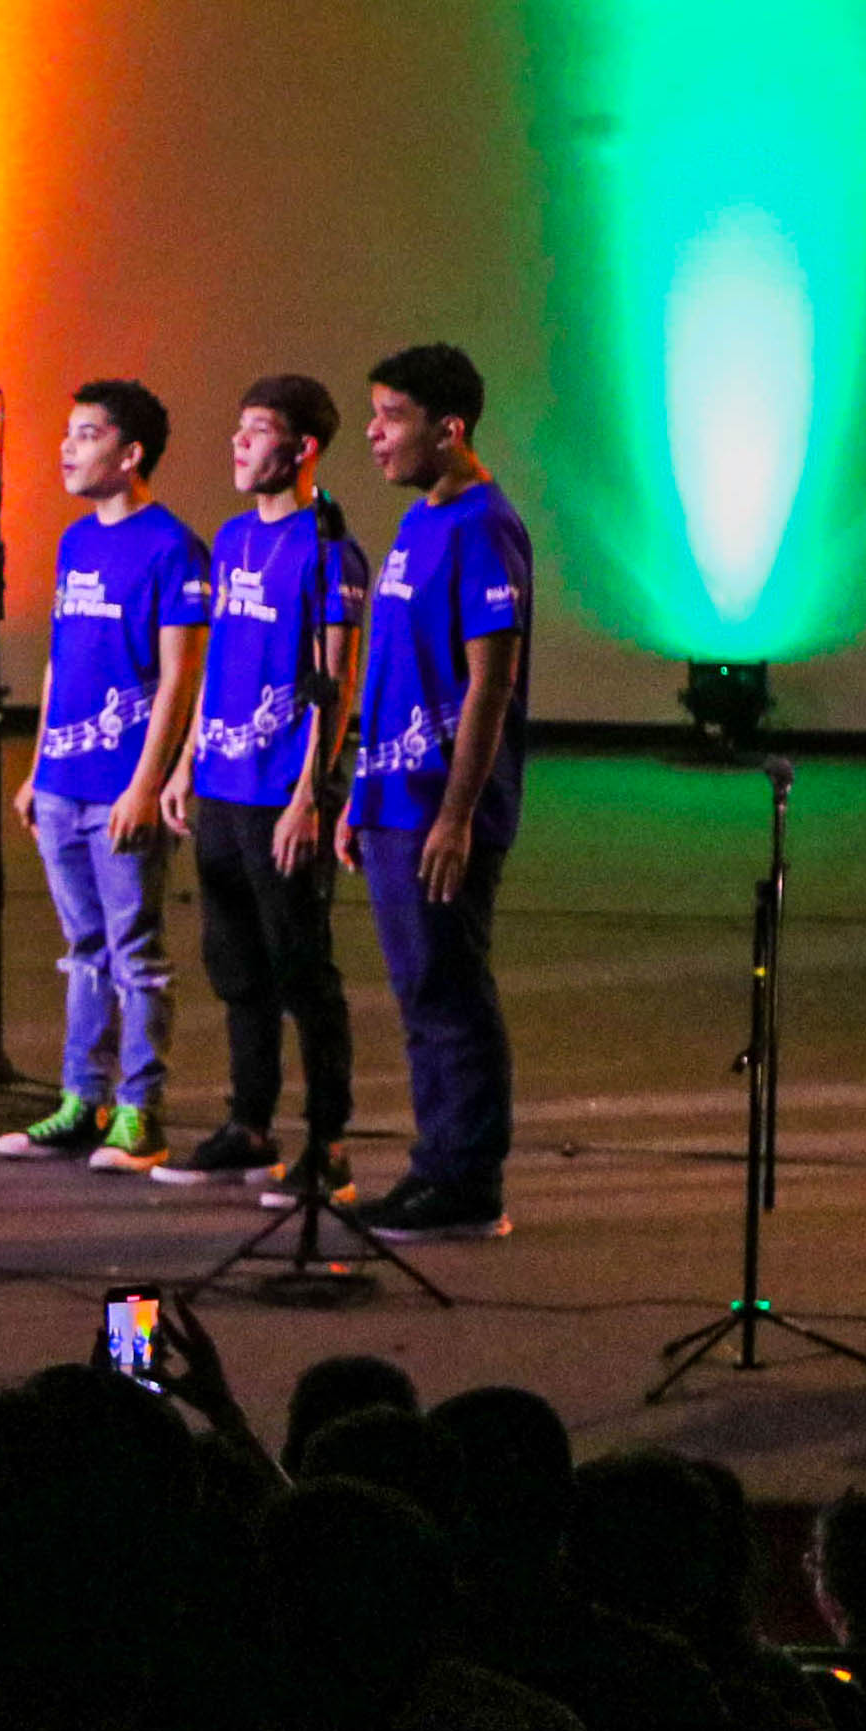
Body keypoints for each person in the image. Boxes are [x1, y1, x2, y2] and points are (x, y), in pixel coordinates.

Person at [156, 377, 366, 1202]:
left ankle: (330, 1141)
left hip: (282, 792)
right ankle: (248, 1127)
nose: (237, 445)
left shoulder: (328, 551)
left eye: (256, 432)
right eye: (237, 429)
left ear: (301, 449)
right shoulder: (234, 538)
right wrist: (183, 764)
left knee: (300, 971)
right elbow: (214, 666)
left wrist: (309, 796)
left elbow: (335, 680)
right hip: (221, 785)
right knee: (235, 968)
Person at [340, 343, 531, 1240]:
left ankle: (468, 1183)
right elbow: (392, 673)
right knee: (420, 996)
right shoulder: (421, 519)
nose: (373, 435)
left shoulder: (483, 525)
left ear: (448, 428)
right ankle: (434, 1165)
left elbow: (489, 680)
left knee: (450, 995)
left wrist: (457, 814)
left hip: (437, 810)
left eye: (391, 417)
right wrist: (356, 794)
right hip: (389, 800)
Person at [0, 379, 209, 1174]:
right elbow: (60, 662)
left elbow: (178, 675)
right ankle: (80, 1099)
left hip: (123, 787)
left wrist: (146, 784)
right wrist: (37, 766)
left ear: (129, 455)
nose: (66, 447)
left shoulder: (171, 546)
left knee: (135, 952)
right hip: (62, 782)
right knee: (82, 946)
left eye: (85, 434)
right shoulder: (74, 542)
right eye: (67, 430)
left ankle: (138, 1112)